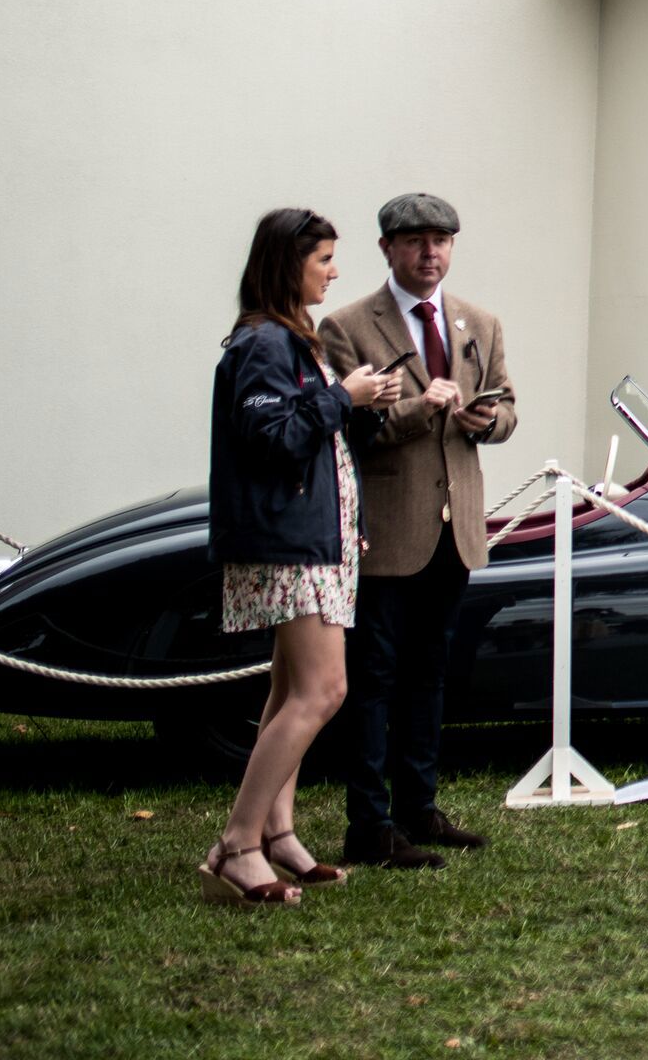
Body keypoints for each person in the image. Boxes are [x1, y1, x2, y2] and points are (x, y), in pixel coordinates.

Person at [204, 208, 403, 904]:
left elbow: (314, 438)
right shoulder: (264, 344)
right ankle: (237, 844)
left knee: (290, 692)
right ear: (289, 264)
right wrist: (336, 396)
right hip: (288, 546)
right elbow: (271, 439)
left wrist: (361, 405)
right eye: (324, 259)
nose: (335, 271)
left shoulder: (294, 340)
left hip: (314, 542)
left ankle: (278, 834)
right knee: (325, 691)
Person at [316, 193, 518, 870]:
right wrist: (415, 410)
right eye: (415, 242)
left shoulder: (478, 323)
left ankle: (419, 809)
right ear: (387, 250)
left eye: (441, 241)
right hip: (386, 532)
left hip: (453, 528)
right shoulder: (346, 328)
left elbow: (508, 405)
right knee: (373, 677)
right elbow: (343, 427)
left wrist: (485, 422)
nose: (430, 253)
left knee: (430, 674)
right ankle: (368, 826)